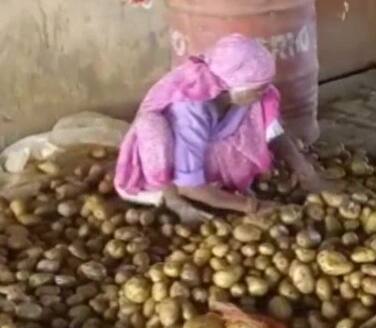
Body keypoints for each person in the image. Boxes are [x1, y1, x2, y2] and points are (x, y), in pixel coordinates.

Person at [115, 34, 327, 222]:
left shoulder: (241, 94)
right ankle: (171, 199)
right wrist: (252, 207)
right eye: (259, 88)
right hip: (172, 166)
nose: (266, 92)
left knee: (252, 115)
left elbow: (274, 133)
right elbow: (190, 185)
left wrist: (304, 169)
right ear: (234, 86)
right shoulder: (190, 109)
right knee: (157, 136)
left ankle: (218, 189)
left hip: (199, 151)